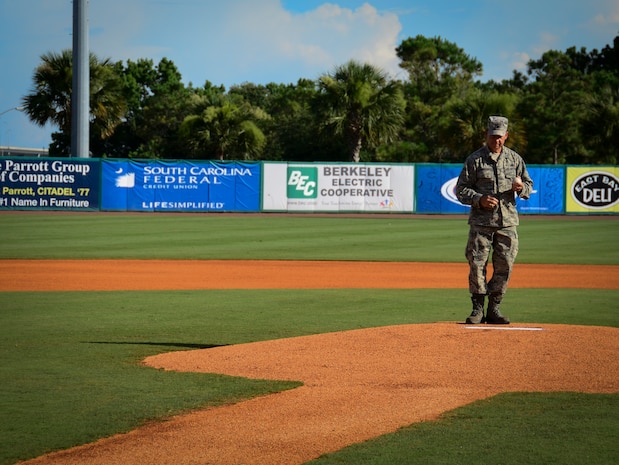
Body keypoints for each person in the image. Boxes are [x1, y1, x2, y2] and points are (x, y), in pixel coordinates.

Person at [456, 116, 533, 324]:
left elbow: (528, 186)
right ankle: (477, 309)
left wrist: (521, 188)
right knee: (477, 264)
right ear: (486, 135)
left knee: (505, 265)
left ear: (506, 136)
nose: (496, 141)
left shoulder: (515, 160)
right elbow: (460, 190)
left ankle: (494, 308)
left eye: (500, 137)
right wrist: (478, 199)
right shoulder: (475, 160)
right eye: (493, 136)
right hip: (481, 224)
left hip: (507, 223)